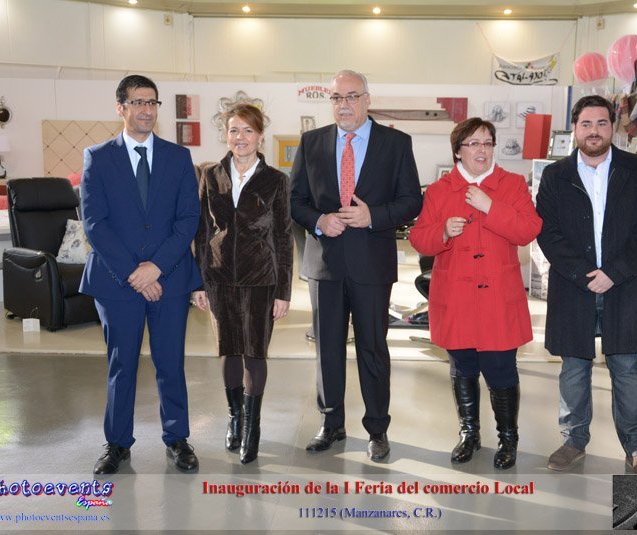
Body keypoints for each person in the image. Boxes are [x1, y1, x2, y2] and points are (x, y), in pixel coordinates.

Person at [290, 69, 423, 461]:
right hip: (325, 264)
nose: (343, 105)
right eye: (336, 98)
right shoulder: (311, 142)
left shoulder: (395, 143)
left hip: (371, 265)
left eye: (351, 97)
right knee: (327, 349)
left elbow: (411, 201)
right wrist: (319, 220)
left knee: (373, 349)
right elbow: (294, 200)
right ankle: (331, 423)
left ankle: (377, 429)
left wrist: (374, 216)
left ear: (367, 100)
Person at [81, 74, 202, 474]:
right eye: (138, 102)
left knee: (171, 363)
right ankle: (117, 443)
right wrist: (135, 272)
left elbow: (188, 219)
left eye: (152, 102)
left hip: (169, 278)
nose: (147, 110)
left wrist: (156, 268)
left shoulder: (178, 158)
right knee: (122, 365)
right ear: (121, 107)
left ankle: (177, 438)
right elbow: (95, 223)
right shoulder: (98, 157)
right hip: (117, 283)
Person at [535, 95, 637, 475]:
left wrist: (614, 273)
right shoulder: (555, 176)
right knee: (574, 368)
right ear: (574, 129)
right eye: (586, 124)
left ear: (613, 127)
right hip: (574, 287)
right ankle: (573, 441)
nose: (594, 131)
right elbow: (548, 233)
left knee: (627, 369)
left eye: (601, 123)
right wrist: (584, 274)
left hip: (625, 286)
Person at [409, 118, 542, 469]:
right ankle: (469, 434)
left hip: (499, 297)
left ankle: (508, 439)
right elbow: (419, 238)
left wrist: (490, 207)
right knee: (463, 368)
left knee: (501, 369)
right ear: (458, 151)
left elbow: (529, 229)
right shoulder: (439, 191)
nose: (481, 150)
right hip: (456, 298)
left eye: (487, 143)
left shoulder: (512, 184)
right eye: (473, 143)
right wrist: (442, 231)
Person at [192, 103, 293, 464]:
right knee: (229, 350)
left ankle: (253, 427)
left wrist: (283, 292)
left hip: (261, 280)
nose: (240, 137)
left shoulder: (276, 180)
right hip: (219, 278)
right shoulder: (211, 175)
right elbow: (202, 232)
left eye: (248, 131)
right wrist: (198, 282)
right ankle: (235, 418)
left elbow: (283, 238)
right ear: (226, 135)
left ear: (260, 136)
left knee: (254, 352)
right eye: (234, 130)